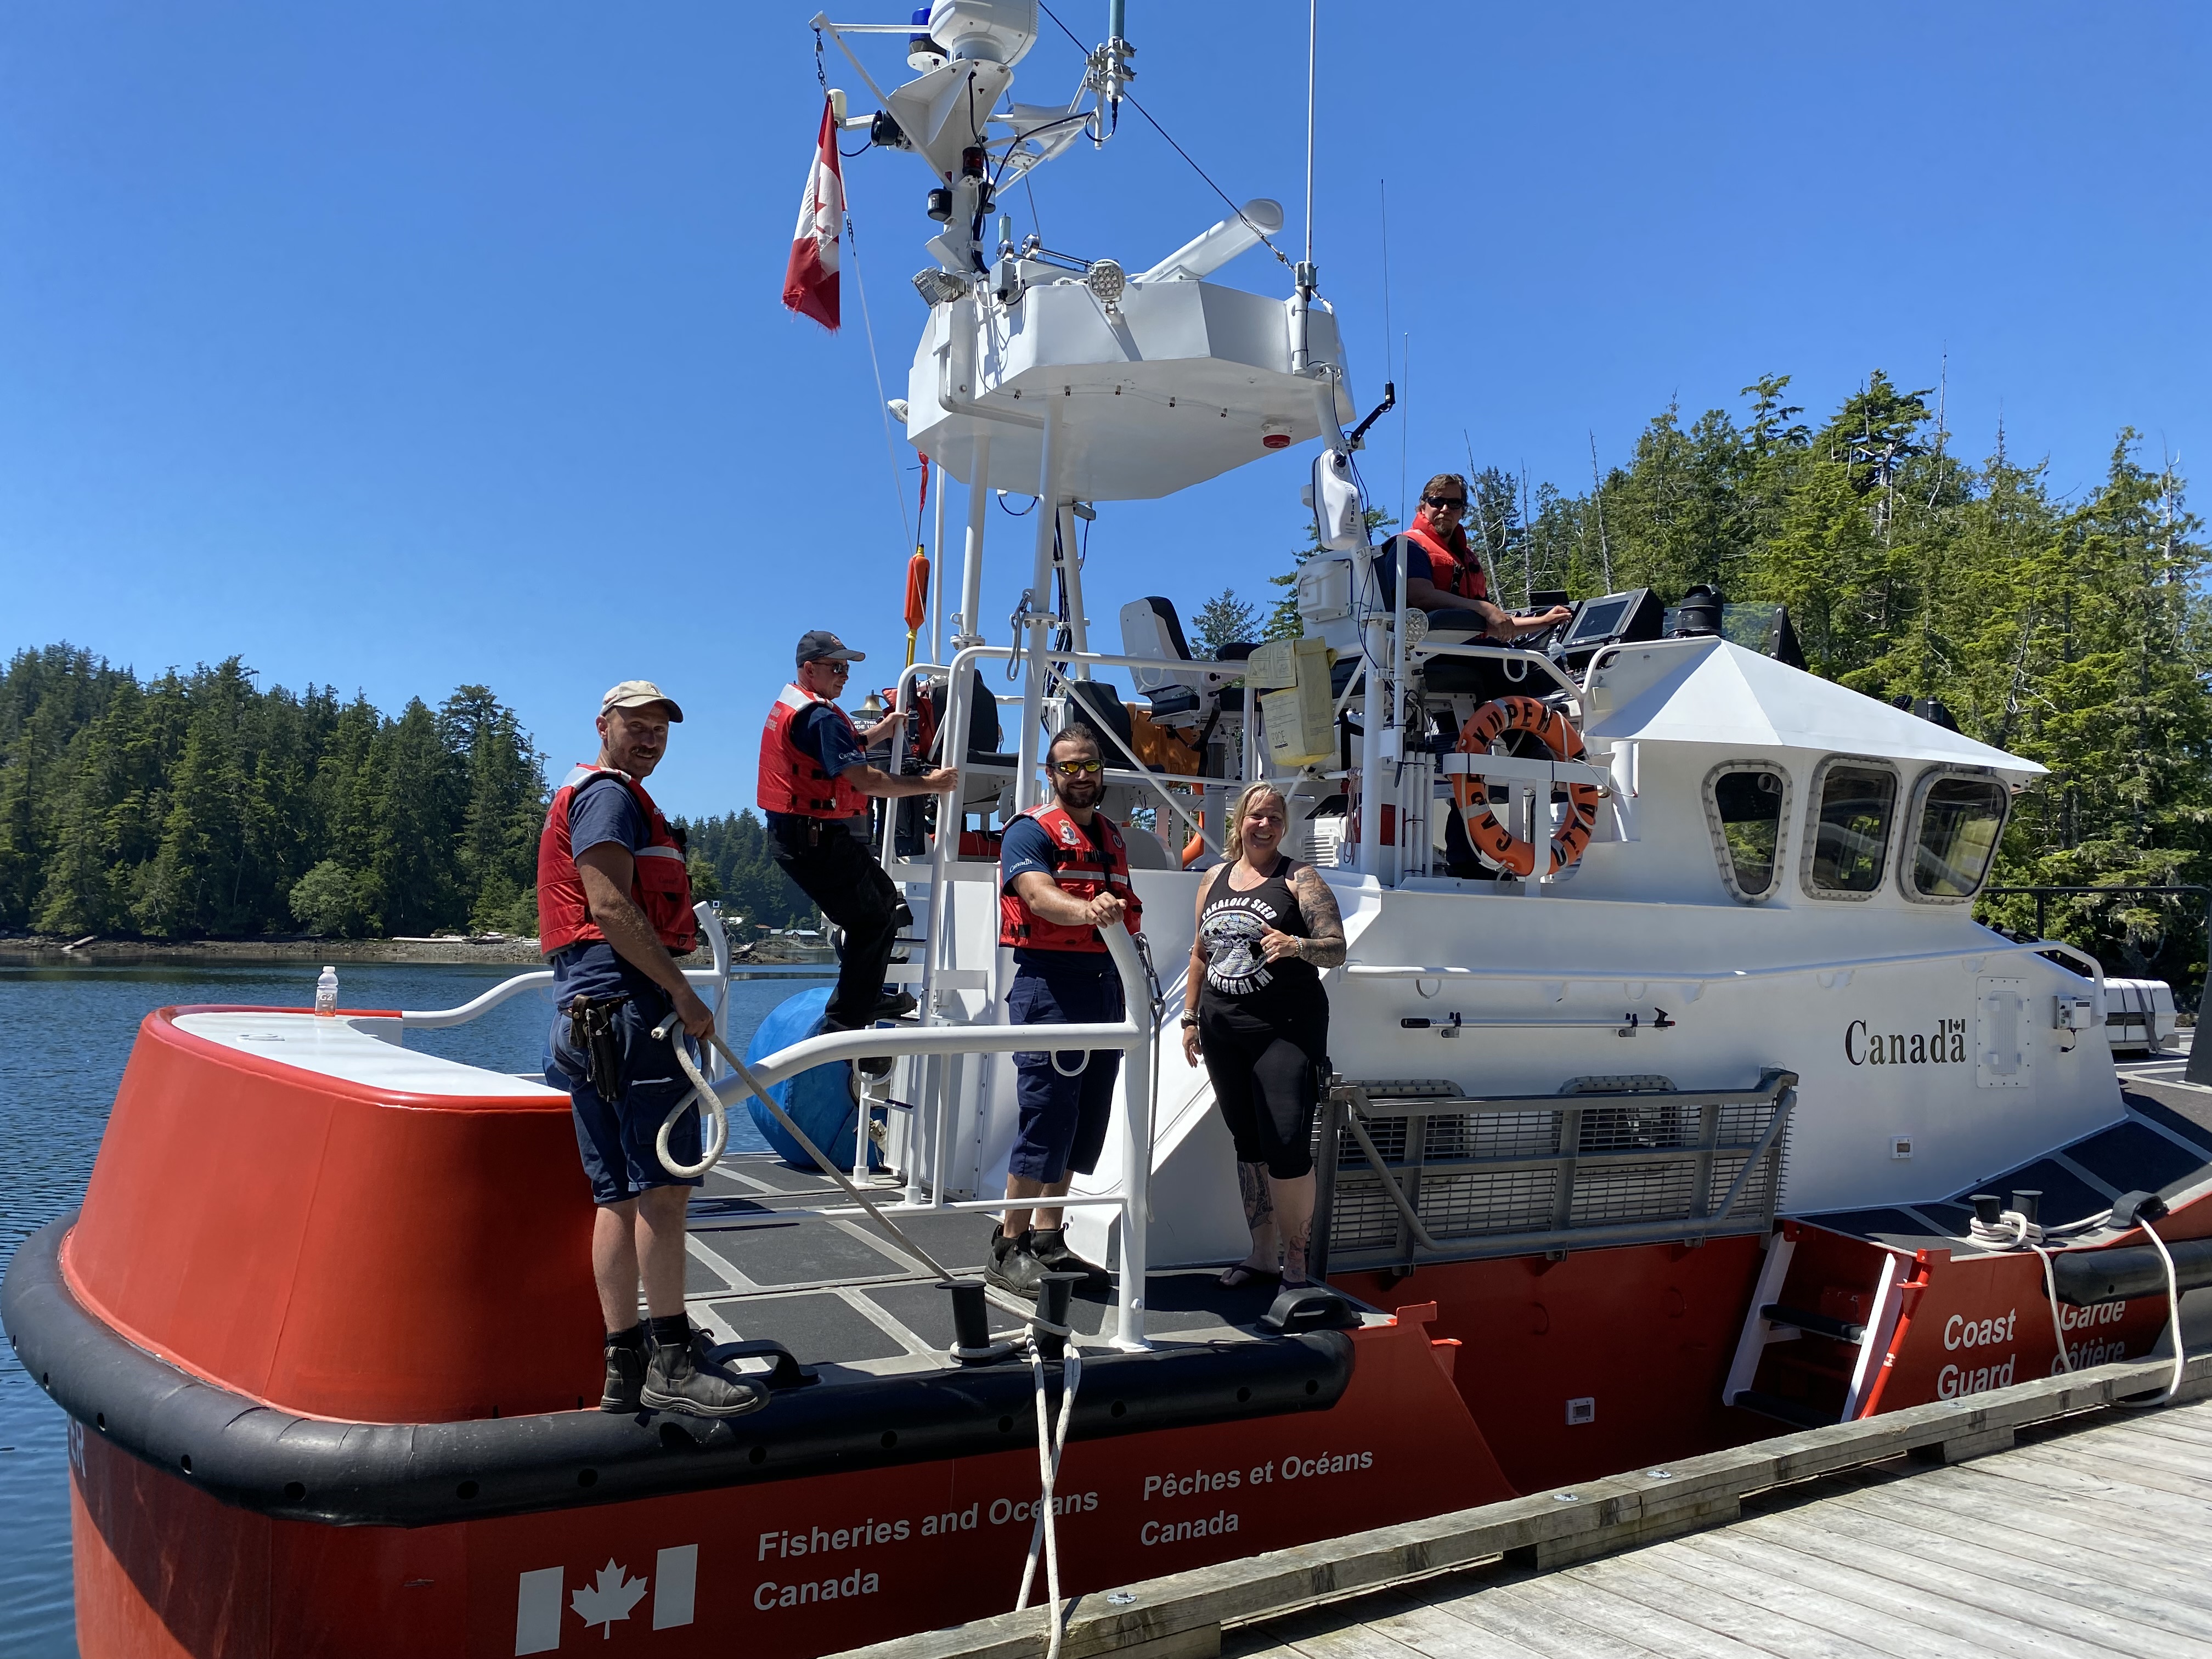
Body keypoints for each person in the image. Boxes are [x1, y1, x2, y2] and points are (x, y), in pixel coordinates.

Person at [538, 680, 758, 1418]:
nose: (650, 739)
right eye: (636, 727)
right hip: (631, 1014)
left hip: (586, 1013)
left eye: (660, 729)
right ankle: (670, 1360)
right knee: (663, 1192)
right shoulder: (608, 798)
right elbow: (607, 904)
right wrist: (685, 994)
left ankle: (622, 1362)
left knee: (618, 1194)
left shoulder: (598, 794)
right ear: (603, 725)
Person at [989, 724, 1144, 1298]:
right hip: (1051, 987)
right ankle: (1008, 1245)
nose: (1081, 777)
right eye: (1069, 768)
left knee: (1085, 1119)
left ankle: (1050, 1238)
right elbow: (1036, 894)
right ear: (1051, 775)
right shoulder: (1029, 832)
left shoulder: (1112, 838)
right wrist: (1087, 913)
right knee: (1048, 1113)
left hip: (1106, 987)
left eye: (1090, 767)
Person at [1181, 781, 1346, 1288]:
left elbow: (1336, 948)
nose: (1266, 824)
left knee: (1287, 1144)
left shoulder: (1301, 880)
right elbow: (1199, 953)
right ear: (1239, 822)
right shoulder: (1213, 878)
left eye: (1275, 817)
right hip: (1222, 1030)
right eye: (1257, 816)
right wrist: (1190, 1018)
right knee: (1247, 1142)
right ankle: (1260, 1256)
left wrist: (1297, 946)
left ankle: (1295, 1266)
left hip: (1285, 1032)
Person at [759, 630, 959, 1041]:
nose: (844, 675)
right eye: (836, 667)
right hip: (813, 838)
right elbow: (865, 780)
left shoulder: (806, 709)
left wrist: (880, 733)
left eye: (847, 667)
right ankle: (849, 1016)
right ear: (809, 669)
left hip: (806, 836)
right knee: (875, 917)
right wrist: (932, 784)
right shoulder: (820, 716)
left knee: (885, 906)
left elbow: (837, 749)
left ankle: (861, 997)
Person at [1377, 472, 1572, 641]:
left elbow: (1493, 625)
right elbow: (1420, 596)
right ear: (1423, 507)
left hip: (1470, 651)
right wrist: (1484, 608)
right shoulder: (1409, 546)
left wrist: (1544, 621)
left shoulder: (1467, 558)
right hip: (1427, 656)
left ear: (1463, 511)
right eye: (1437, 501)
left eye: (1454, 503)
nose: (1445, 509)